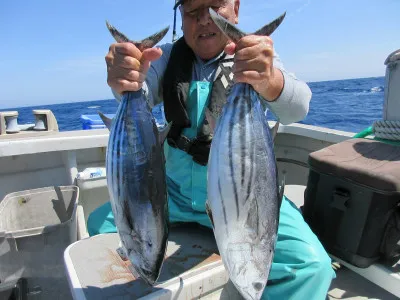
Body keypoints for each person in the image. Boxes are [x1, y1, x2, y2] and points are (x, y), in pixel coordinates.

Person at [88, 0, 336, 298]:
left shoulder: (255, 58)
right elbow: (136, 87)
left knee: (312, 266)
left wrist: (269, 79)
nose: (204, 19)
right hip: (173, 195)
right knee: (98, 224)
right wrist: (125, 76)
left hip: (243, 195)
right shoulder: (166, 58)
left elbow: (298, 107)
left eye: (216, 6)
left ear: (236, 9)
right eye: (193, 11)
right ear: (180, 16)